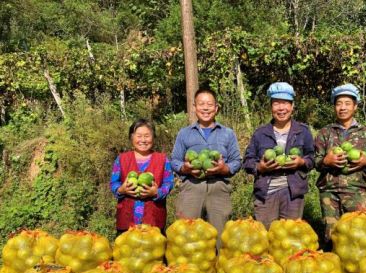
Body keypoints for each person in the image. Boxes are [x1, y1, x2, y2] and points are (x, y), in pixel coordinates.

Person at [171, 87, 242, 248]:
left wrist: (224, 169)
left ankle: (218, 269)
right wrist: (185, 168)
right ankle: (187, 270)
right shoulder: (184, 133)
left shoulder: (227, 133)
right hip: (191, 186)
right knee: (186, 234)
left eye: (209, 104)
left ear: (216, 108)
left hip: (219, 187)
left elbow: (236, 161)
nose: (205, 108)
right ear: (194, 107)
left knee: (221, 235)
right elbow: (174, 160)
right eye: (201, 104)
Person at [314, 83, 366, 245]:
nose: (342, 107)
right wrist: (326, 161)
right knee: (331, 235)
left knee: (357, 234)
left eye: (347, 103)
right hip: (329, 192)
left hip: (355, 191)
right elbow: (315, 162)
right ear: (334, 107)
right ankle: (332, 266)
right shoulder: (325, 133)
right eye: (338, 103)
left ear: (355, 106)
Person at [243, 82, 315, 229]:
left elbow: (312, 158)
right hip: (266, 193)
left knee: (289, 237)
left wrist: (301, 162)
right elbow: (247, 161)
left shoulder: (303, 131)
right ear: (271, 107)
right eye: (276, 103)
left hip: (293, 193)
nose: (281, 108)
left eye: (285, 103)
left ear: (292, 106)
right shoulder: (260, 133)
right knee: (265, 235)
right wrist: (260, 167)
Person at [110, 119, 174, 234]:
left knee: (154, 250)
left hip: (153, 219)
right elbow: (114, 183)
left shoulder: (162, 159)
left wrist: (156, 192)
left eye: (147, 136)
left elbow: (168, 183)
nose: (143, 140)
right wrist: (122, 189)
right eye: (139, 136)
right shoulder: (122, 159)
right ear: (131, 138)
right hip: (127, 219)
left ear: (153, 137)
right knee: (126, 250)